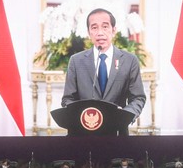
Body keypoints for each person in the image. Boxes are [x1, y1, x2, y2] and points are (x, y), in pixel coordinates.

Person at [61, 8, 146, 136]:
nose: (100, 33)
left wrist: (123, 117)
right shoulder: (76, 61)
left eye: (105, 27)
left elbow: (138, 98)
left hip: (117, 134)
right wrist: (82, 115)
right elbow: (68, 99)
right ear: (89, 33)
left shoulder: (129, 61)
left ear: (114, 30)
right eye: (94, 28)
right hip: (82, 134)